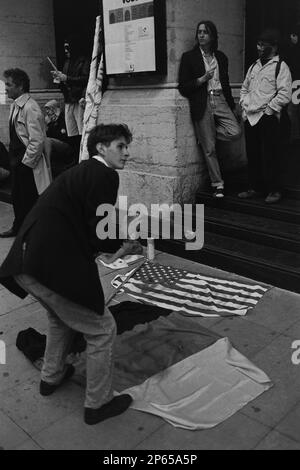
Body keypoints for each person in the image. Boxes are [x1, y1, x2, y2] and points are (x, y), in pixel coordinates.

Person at [0, 123, 141, 425]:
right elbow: (97, 229)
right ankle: (98, 404)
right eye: (121, 146)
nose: (127, 153)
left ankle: (51, 376)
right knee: (102, 328)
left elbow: (87, 223)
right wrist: (123, 244)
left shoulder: (81, 172)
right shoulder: (104, 174)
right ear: (101, 148)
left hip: (26, 263)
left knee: (59, 319)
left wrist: (113, 241)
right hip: (50, 265)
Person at [178, 20, 241, 198]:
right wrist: (202, 79)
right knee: (210, 149)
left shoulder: (221, 57)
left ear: (212, 36)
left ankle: (206, 136)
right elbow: (183, 86)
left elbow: (226, 84)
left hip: (220, 98)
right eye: (199, 32)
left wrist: (232, 105)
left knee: (235, 131)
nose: (201, 35)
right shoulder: (188, 57)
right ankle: (218, 184)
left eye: (205, 32)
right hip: (202, 99)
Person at [239, 29, 292, 204]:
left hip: (268, 117)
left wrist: (269, 110)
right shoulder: (254, 66)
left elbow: (284, 93)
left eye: (263, 44)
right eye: (258, 44)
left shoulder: (280, 66)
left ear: (274, 47)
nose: (259, 48)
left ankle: (275, 190)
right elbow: (244, 88)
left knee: (271, 155)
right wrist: (244, 107)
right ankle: (256, 188)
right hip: (251, 117)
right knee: (253, 154)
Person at [0, 69, 51, 238]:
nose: (5, 88)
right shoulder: (16, 104)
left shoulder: (30, 107)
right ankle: (19, 227)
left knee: (29, 199)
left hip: (26, 163)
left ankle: (32, 231)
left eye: (9, 84)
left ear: (20, 86)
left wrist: (25, 163)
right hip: (17, 161)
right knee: (18, 198)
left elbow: (37, 140)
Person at [51, 36, 89, 158]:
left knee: (81, 131)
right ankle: (75, 157)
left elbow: (85, 79)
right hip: (69, 99)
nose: (66, 51)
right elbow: (66, 80)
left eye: (67, 48)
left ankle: (82, 156)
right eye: (64, 48)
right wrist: (59, 79)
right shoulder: (67, 62)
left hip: (78, 100)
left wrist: (66, 78)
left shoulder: (83, 61)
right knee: (71, 132)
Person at [44, 100, 76, 178]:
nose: (47, 112)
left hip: (66, 145)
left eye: (49, 109)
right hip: (56, 145)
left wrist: (51, 124)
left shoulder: (62, 118)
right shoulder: (51, 120)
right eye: (46, 109)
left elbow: (61, 135)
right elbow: (48, 135)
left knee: (48, 141)